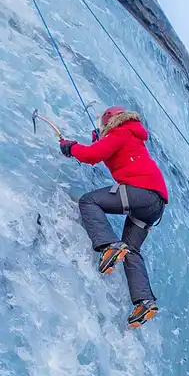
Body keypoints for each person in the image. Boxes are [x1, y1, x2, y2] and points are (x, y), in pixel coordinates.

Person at [59, 106, 168, 328]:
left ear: (110, 121)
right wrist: (99, 141)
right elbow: (110, 155)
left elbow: (91, 156)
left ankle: (108, 245)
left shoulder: (120, 133)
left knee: (89, 201)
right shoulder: (132, 136)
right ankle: (144, 302)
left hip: (141, 193)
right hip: (155, 205)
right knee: (132, 250)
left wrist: (71, 147)